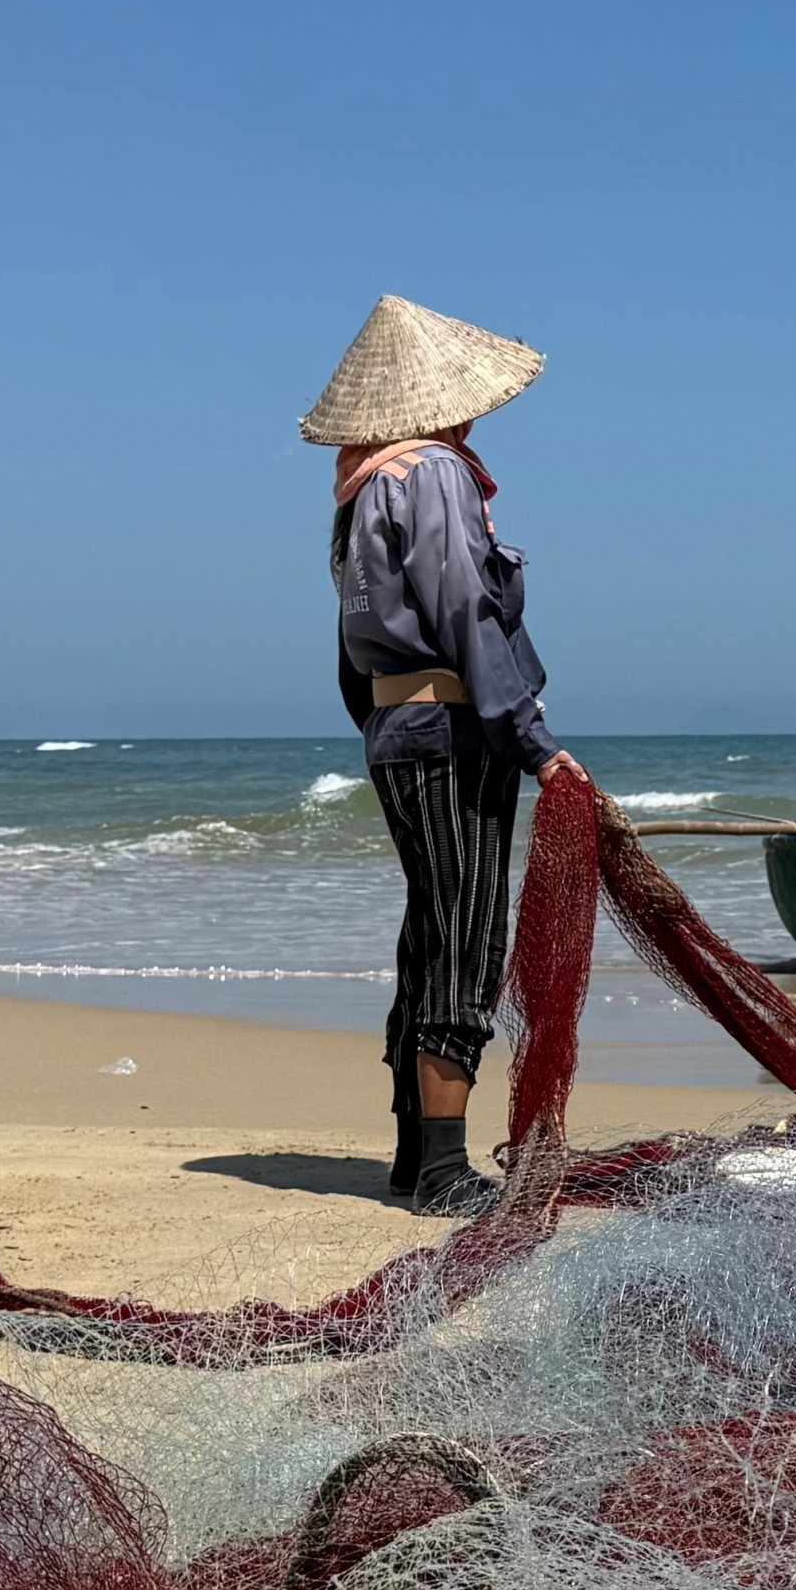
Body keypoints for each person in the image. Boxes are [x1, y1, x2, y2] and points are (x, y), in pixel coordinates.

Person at [313, 293, 585, 1216]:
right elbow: (468, 608)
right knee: (466, 934)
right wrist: (534, 743)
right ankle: (440, 1170)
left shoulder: (357, 487)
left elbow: (350, 655)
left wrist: (383, 732)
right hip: (452, 729)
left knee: (430, 927)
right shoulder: (433, 473)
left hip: (398, 732)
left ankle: (412, 1156)